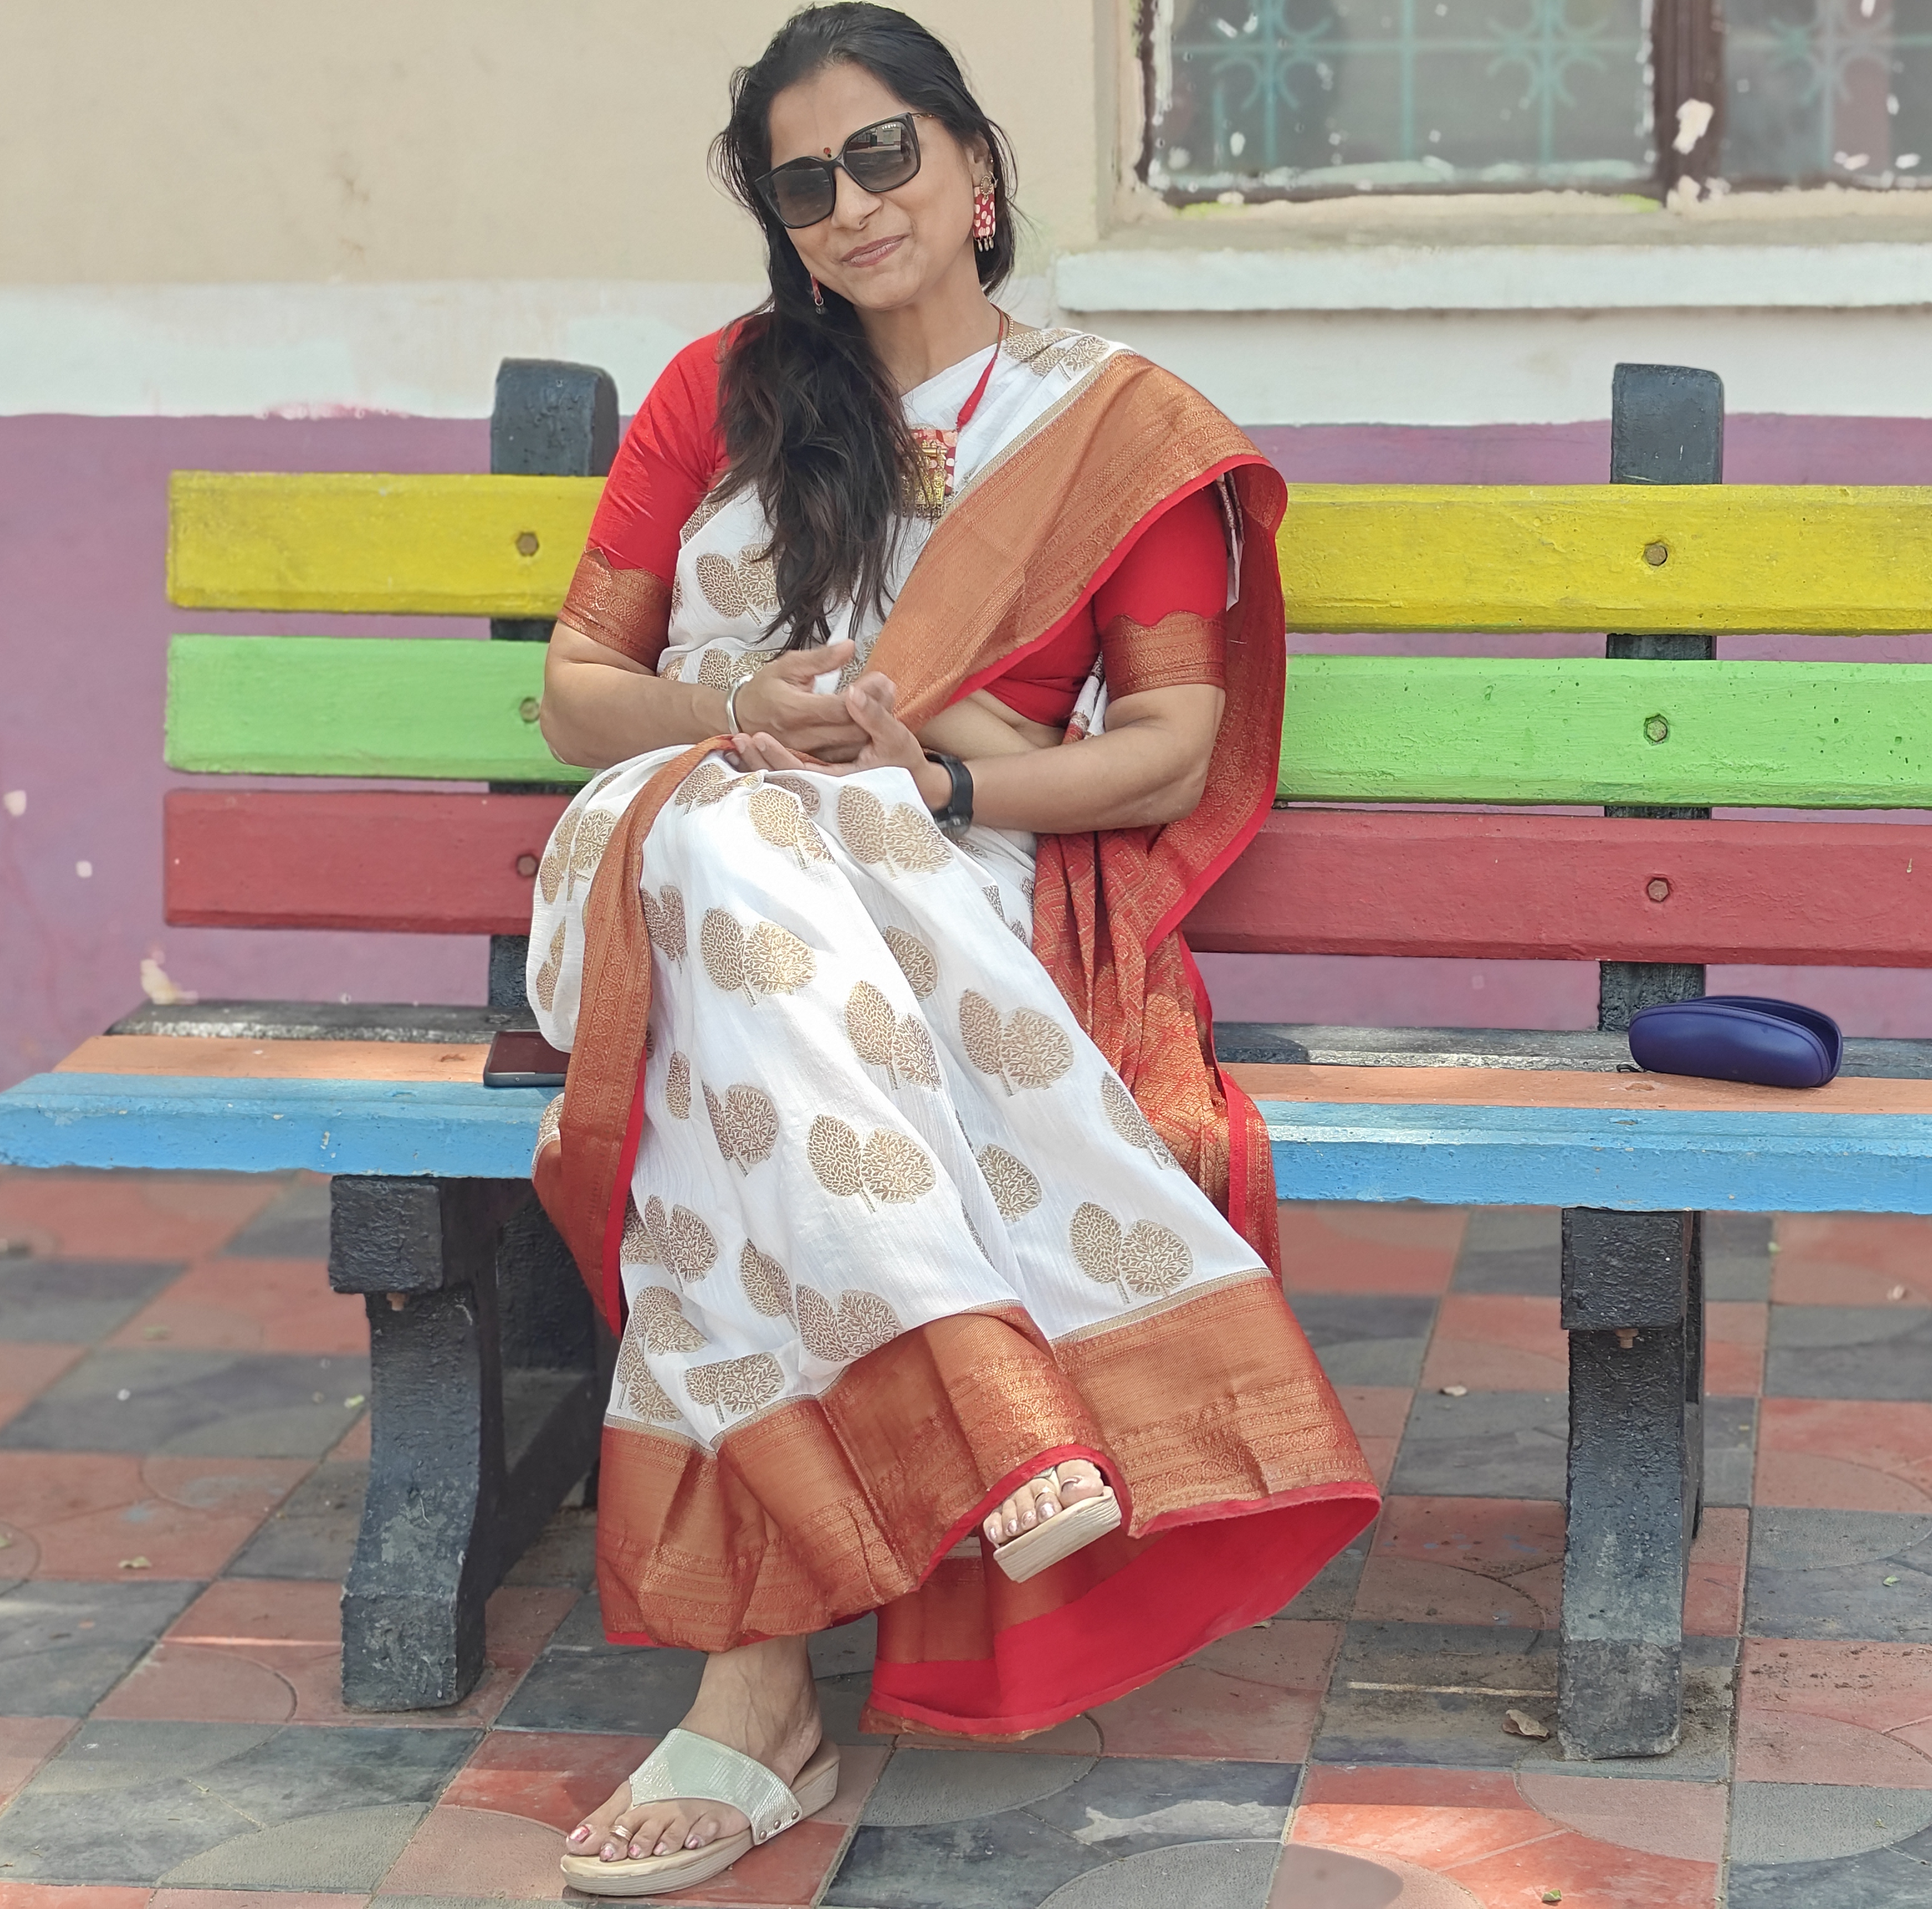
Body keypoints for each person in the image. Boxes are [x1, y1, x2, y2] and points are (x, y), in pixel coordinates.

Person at [526, 6, 1377, 1893]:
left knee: (738, 1057)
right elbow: (580, 695)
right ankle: (972, 1390)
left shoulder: (1111, 429)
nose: (851, 204)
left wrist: (949, 778)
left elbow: (1169, 749)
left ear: (976, 169)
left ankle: (755, 1698)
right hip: (663, 858)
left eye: (882, 154)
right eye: (802, 184)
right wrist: (736, 710)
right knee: (742, 838)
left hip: (940, 893)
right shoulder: (724, 395)